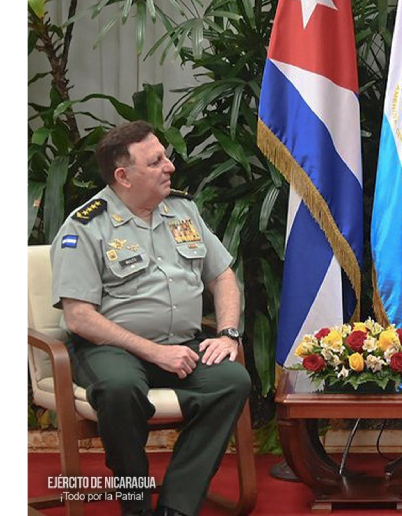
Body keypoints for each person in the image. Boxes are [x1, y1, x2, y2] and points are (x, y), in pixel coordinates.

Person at [50, 121, 252, 516]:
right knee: (120, 389)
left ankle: (177, 505)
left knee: (232, 380)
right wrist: (155, 352)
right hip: (111, 349)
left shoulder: (183, 211)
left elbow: (223, 276)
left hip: (182, 345)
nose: (170, 166)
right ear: (123, 177)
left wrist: (228, 333)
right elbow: (79, 317)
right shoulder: (85, 226)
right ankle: (136, 505)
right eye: (155, 161)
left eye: (165, 157)